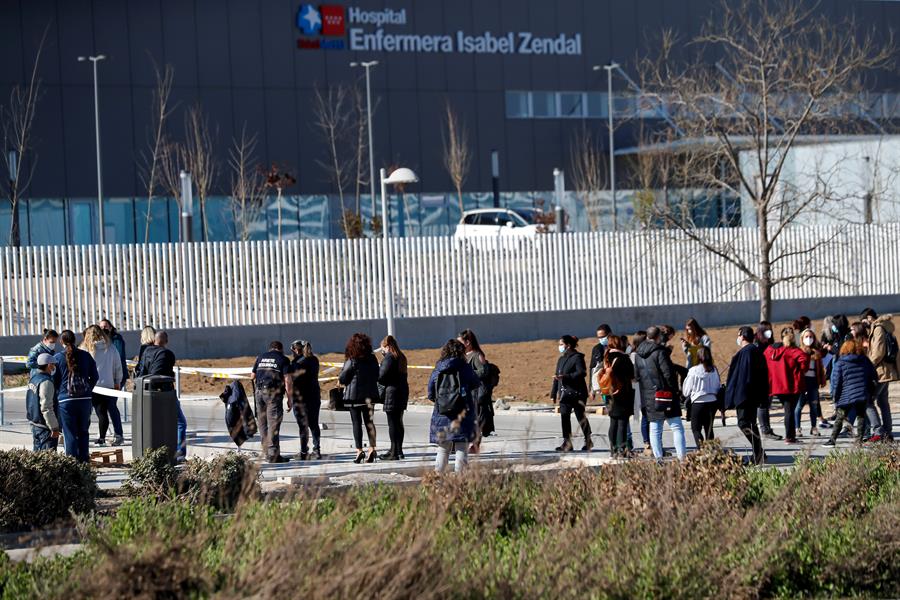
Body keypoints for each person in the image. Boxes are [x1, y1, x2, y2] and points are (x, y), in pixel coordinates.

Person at [427, 338, 481, 473]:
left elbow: (430, 392)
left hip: (442, 413)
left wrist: (442, 402)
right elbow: (476, 383)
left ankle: (438, 480)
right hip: (462, 413)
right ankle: (460, 480)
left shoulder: (438, 368)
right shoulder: (465, 367)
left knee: (443, 448)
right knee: (461, 448)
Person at [634, 326, 686, 460]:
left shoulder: (638, 354)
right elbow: (668, 374)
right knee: (676, 427)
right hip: (665, 394)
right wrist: (675, 390)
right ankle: (682, 458)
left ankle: (658, 459)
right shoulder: (660, 352)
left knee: (655, 429)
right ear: (658, 337)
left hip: (649, 396)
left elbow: (637, 376)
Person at [136, 331, 187, 460]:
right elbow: (166, 374)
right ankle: (180, 452)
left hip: (147, 393)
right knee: (181, 423)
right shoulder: (168, 354)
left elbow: (142, 371)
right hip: (165, 392)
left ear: (154, 340)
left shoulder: (146, 352)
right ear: (166, 341)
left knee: (153, 424)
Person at [53, 330, 99, 463]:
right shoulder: (85, 355)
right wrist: (88, 389)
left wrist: (58, 393)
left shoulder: (57, 358)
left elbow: (54, 380)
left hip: (66, 399)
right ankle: (84, 461)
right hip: (85, 399)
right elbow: (95, 376)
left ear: (61, 342)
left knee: (69, 433)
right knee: (84, 431)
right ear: (75, 340)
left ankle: (72, 463)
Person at [725, 326, 768, 465]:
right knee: (750, 423)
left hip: (745, 395)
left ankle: (758, 453)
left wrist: (738, 396)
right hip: (752, 395)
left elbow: (744, 376)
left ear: (742, 336)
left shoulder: (747, 352)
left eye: (738, 335)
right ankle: (759, 453)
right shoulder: (754, 351)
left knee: (745, 423)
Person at [823, 340, 877, 448]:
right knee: (861, 416)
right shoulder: (865, 360)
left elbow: (836, 381)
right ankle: (859, 440)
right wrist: (870, 392)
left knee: (840, 417)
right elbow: (873, 376)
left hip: (845, 394)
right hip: (862, 393)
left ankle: (832, 440)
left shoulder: (840, 362)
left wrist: (835, 396)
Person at [339, 333, 380, 464]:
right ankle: (372, 448)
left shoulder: (352, 360)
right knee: (369, 422)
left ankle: (359, 450)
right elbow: (377, 374)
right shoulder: (373, 359)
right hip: (370, 395)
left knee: (356, 424)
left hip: (354, 397)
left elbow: (343, 378)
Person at [763, 328, 809, 443]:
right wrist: (799, 371)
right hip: (791, 386)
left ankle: (790, 435)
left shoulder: (769, 350)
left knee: (788, 410)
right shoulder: (793, 351)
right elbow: (804, 362)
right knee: (789, 411)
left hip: (776, 386)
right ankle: (790, 437)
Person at [82, 324, 125, 447]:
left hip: (92, 385)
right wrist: (117, 381)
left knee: (90, 412)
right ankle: (108, 436)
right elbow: (118, 366)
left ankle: (87, 436)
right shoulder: (110, 347)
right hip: (109, 384)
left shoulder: (86, 348)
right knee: (107, 412)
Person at [251, 341, 292, 463]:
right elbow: (287, 380)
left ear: (270, 349)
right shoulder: (283, 359)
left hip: (259, 392)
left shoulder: (260, 357)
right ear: (281, 349)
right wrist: (290, 398)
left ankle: (266, 451)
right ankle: (273, 454)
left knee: (262, 423)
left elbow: (252, 376)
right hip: (273, 394)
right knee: (273, 422)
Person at [550, 335, 592, 452]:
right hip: (564, 393)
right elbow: (556, 376)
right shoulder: (561, 359)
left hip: (577, 393)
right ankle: (567, 442)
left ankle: (588, 439)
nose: (560, 347)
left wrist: (566, 377)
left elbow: (581, 372)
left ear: (568, 345)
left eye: (561, 344)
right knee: (564, 416)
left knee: (580, 416)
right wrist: (553, 393)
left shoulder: (577, 357)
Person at [862, 309, 897, 442]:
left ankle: (879, 432)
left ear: (869, 317)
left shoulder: (878, 329)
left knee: (867, 401)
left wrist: (867, 366)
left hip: (880, 372)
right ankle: (887, 432)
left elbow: (878, 352)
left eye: (864, 320)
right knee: (883, 402)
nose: (863, 323)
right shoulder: (883, 327)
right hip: (885, 370)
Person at [458, 329, 494, 450]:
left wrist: (468, 373)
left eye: (461, 342)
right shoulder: (463, 356)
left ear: (467, 342)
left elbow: (484, 372)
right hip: (466, 394)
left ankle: (474, 446)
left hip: (476, 396)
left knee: (476, 422)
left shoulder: (477, 355)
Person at [288, 340, 322, 460]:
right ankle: (317, 450)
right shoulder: (314, 360)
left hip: (300, 397)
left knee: (303, 426)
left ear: (296, 350)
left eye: (292, 350)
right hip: (314, 395)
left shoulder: (296, 363)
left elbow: (291, 380)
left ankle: (304, 452)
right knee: (314, 424)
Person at [681, 347, 721, 448]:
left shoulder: (693, 370)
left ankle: (702, 450)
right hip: (712, 402)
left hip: (698, 402)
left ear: (698, 357)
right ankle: (712, 452)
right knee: (709, 429)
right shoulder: (714, 369)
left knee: (696, 429)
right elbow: (718, 387)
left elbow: (686, 392)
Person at [378, 335, 409, 460]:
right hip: (402, 391)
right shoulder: (401, 356)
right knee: (399, 422)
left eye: (382, 348)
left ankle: (393, 453)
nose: (382, 351)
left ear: (387, 346)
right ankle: (397, 450)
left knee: (392, 424)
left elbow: (381, 375)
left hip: (392, 392)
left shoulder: (390, 357)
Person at [603, 335, 635, 457]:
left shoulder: (606, 357)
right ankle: (622, 450)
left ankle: (613, 450)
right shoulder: (623, 358)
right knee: (622, 422)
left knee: (613, 422)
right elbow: (632, 375)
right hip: (622, 393)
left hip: (610, 393)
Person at [796, 328, 826, 437]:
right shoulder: (799, 351)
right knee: (799, 406)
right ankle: (797, 428)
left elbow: (821, 369)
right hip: (803, 382)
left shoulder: (816, 353)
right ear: (802, 338)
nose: (809, 339)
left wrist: (822, 380)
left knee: (814, 405)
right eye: (806, 337)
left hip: (813, 382)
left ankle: (814, 427)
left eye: (811, 337)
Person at [26, 353, 59, 452]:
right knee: (48, 459)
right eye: (53, 364)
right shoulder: (46, 382)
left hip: (34, 423)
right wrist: (54, 427)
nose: (54, 367)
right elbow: (46, 407)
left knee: (37, 458)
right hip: (44, 427)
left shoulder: (33, 379)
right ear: (49, 365)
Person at [630, 330, 652, 456]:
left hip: (648, 388)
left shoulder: (648, 354)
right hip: (640, 389)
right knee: (646, 415)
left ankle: (651, 441)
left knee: (650, 417)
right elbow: (634, 376)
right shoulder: (634, 356)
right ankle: (646, 442)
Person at [99, 319, 128, 386]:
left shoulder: (116, 339)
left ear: (110, 328)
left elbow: (119, 356)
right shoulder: (100, 341)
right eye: (101, 327)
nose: (103, 329)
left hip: (117, 374)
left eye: (105, 326)